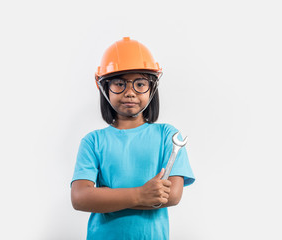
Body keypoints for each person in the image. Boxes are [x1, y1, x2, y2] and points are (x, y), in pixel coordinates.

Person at [71, 37, 195, 239]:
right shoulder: (93, 141)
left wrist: (107, 197)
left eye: (139, 84)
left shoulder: (167, 136)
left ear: (152, 88)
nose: (130, 92)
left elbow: (172, 195)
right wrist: (140, 195)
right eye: (119, 84)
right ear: (104, 88)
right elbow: (80, 197)